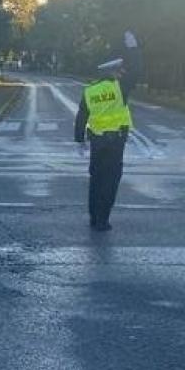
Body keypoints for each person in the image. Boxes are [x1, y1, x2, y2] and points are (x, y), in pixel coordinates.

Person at [73, 32, 142, 232]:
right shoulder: (119, 88)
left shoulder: (90, 90)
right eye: (120, 70)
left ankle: (94, 217)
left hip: (96, 141)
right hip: (115, 142)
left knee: (96, 179)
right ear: (113, 71)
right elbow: (137, 71)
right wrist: (134, 49)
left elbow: (81, 116)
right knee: (110, 182)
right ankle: (103, 221)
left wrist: (79, 141)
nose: (122, 73)